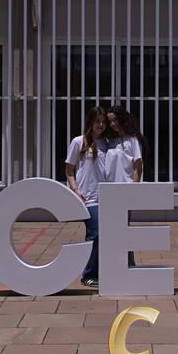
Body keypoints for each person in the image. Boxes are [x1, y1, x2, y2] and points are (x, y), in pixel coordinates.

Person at [65, 106, 108, 288]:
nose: (100, 125)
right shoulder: (78, 142)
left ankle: (100, 271)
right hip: (88, 197)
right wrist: (75, 189)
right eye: (97, 121)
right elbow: (69, 169)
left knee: (105, 235)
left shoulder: (106, 143)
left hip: (106, 197)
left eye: (103, 122)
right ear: (90, 122)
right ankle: (88, 274)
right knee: (95, 233)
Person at [105, 105, 150, 267]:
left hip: (125, 190)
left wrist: (134, 187)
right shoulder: (110, 141)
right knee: (112, 229)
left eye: (115, 120)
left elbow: (138, 165)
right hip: (109, 191)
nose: (113, 124)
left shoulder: (132, 140)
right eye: (110, 121)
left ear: (122, 119)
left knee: (124, 228)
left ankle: (129, 264)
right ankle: (116, 263)